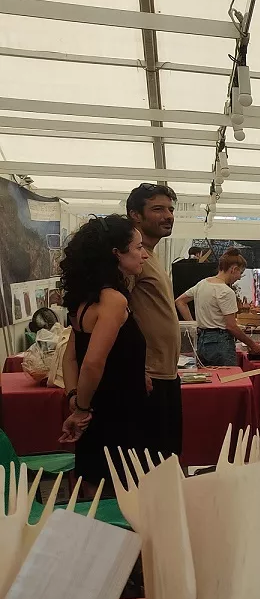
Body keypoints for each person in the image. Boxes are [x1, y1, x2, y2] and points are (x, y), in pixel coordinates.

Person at [58, 216, 150, 491]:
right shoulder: (113, 300)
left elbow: (70, 357)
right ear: (116, 253)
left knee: (95, 489)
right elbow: (92, 362)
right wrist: (81, 410)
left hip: (99, 411)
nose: (144, 254)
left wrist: (74, 397)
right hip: (117, 415)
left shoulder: (84, 300)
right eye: (138, 247)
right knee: (119, 493)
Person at [126, 182, 182, 458]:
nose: (168, 215)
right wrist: (134, 367)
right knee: (150, 464)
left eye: (170, 209)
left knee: (168, 458)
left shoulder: (151, 255)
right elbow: (118, 314)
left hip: (166, 372)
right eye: (158, 209)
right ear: (135, 215)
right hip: (148, 375)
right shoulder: (132, 257)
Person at [175, 250, 260, 366]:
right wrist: (253, 345)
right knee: (228, 375)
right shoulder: (226, 291)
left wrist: (193, 325)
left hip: (202, 341)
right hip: (221, 343)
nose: (239, 278)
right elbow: (231, 326)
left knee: (208, 375)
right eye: (240, 273)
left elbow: (180, 301)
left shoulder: (202, 284)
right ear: (234, 269)